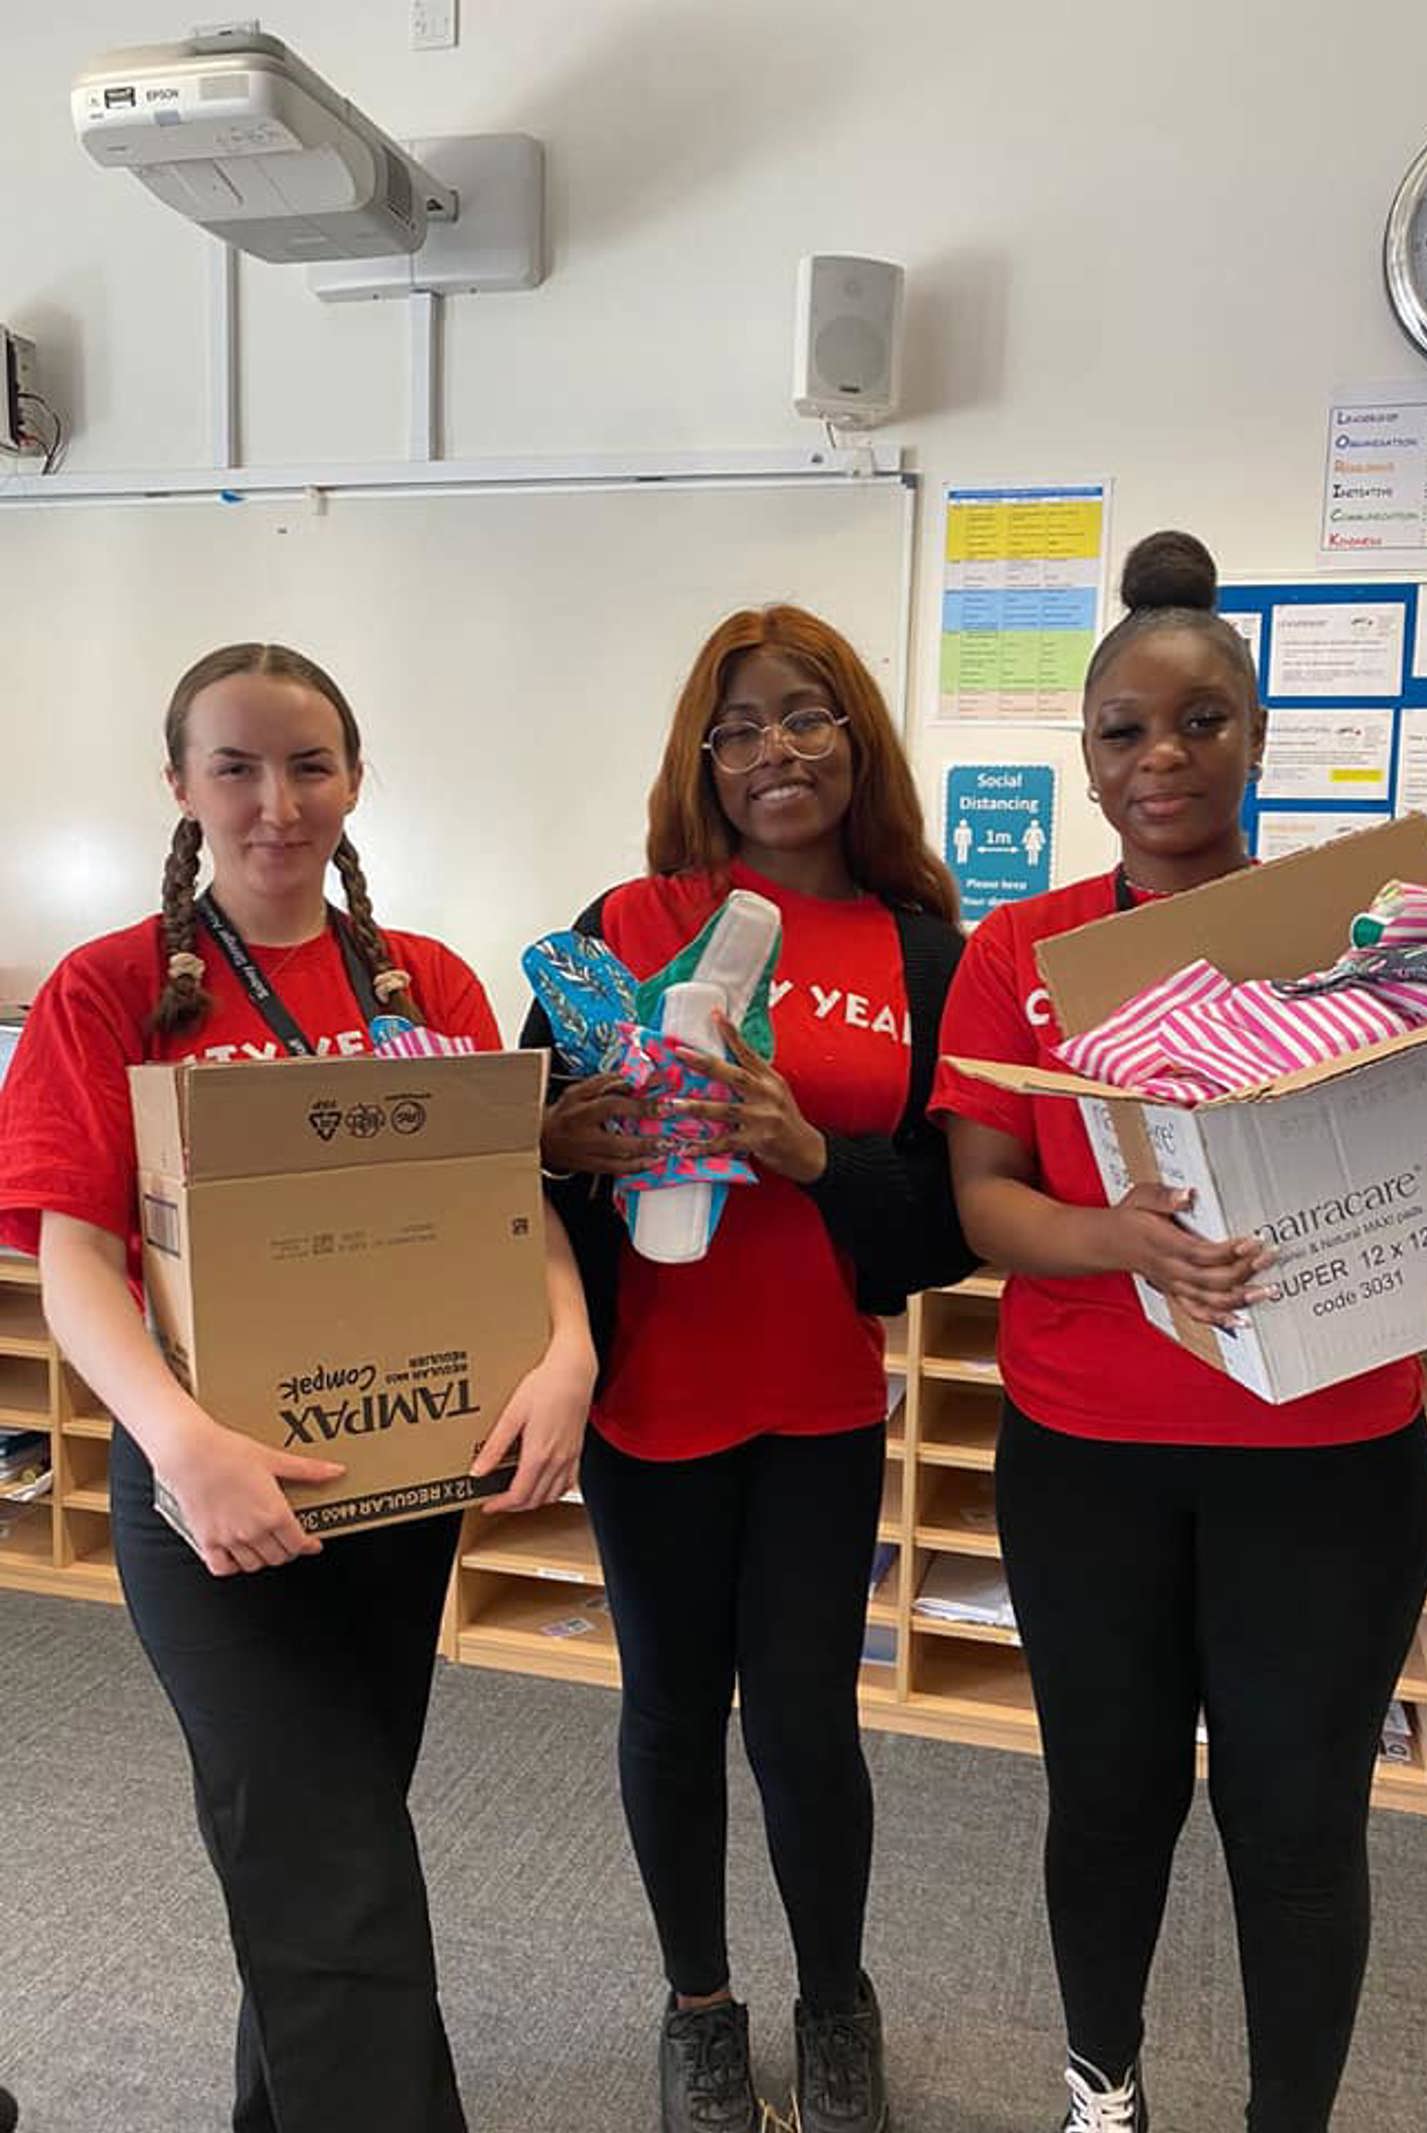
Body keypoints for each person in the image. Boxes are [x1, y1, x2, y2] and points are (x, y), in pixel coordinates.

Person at [932, 533, 1427, 2133]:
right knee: (1110, 1801)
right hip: (1091, 1460)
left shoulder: (1374, 936)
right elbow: (986, 1200)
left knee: (1297, 1820)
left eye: (1203, 721)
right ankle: (1105, 2088)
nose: (1165, 758)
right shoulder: (1020, 955)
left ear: (1261, 737)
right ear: (1085, 760)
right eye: (1127, 731)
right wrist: (1117, 1241)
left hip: (1327, 1466)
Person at [0, 644, 595, 2133]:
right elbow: (75, 1264)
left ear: (353, 774)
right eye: (238, 766)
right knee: (335, 1875)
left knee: (319, 1848)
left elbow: (510, 1211)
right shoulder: (110, 990)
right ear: (183, 785)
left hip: (396, 1495)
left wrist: (570, 1350)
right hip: (208, 1496)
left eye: (310, 764)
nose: (279, 801)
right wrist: (184, 1443)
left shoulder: (430, 980)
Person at [525, 605, 973, 2133]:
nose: (775, 749)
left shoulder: (923, 949)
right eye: (740, 726)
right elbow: (521, 1143)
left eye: (807, 715)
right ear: (700, 760)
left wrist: (812, 1151)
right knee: (668, 1709)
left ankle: (834, 1995)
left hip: (823, 1402)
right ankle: (699, 2004)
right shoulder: (626, 921)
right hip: (652, 1402)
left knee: (804, 1723)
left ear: (858, 738)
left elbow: (945, 1219)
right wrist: (562, 1139)